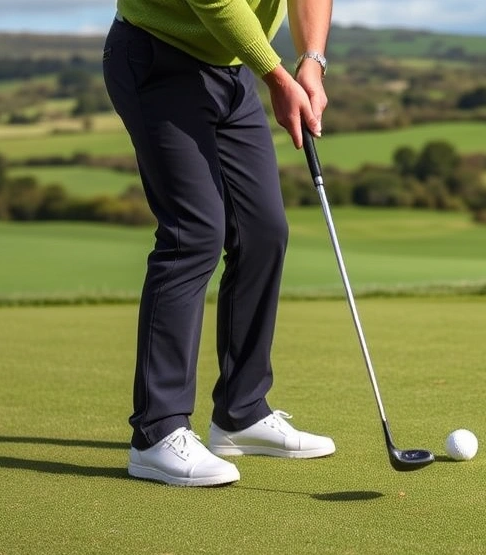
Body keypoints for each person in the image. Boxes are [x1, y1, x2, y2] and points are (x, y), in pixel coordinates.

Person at [102, 0, 335, 487]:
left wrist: (312, 60)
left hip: (230, 71)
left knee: (264, 232)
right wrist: (275, 76)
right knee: (193, 234)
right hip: (157, 57)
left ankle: (240, 412)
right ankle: (156, 432)